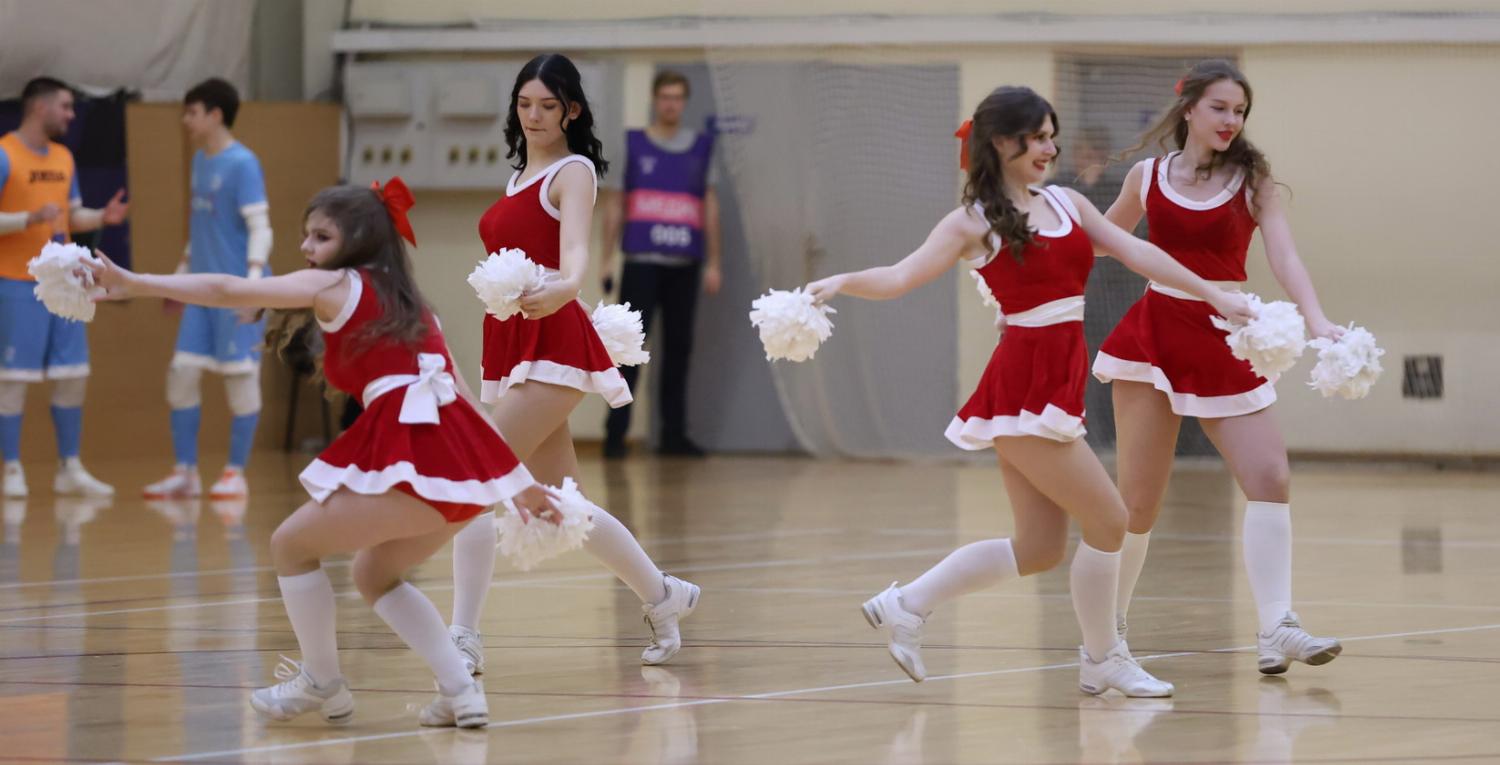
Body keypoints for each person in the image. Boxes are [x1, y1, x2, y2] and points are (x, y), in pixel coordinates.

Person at [803, 86, 1251, 696]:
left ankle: (906, 604)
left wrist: (1214, 293)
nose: (1049, 148)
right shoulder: (971, 221)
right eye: (1037, 138)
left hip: (1057, 382)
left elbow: (1137, 250)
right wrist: (841, 281)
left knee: (1039, 548)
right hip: (1022, 387)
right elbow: (901, 275)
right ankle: (1103, 658)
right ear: (1000, 143)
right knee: (1111, 518)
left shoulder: (1067, 202)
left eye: (1051, 137)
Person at [90, 179, 560, 728]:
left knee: (290, 546)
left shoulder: (336, 283)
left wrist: (136, 282)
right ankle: (461, 692)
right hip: (461, 472)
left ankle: (322, 680)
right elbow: (467, 405)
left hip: (414, 456)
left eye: (321, 236)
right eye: (306, 236)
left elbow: (227, 287)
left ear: (357, 240)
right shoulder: (416, 307)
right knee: (375, 573)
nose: (307, 247)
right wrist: (516, 482)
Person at [451, 54, 700, 677]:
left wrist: (566, 287)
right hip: (517, 344)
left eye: (547, 106)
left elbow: (576, 253)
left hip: (554, 347)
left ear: (572, 111)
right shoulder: (518, 176)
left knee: (475, 480)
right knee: (567, 506)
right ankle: (663, 595)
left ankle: (463, 638)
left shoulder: (574, 171)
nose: (533, 116)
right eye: (524, 104)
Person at [1093, 59, 1343, 677]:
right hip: (1154, 336)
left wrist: (1316, 320)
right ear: (1189, 110)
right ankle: (1106, 636)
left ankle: (1277, 625)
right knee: (1137, 504)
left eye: (1240, 111)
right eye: (1220, 108)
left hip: (1227, 336)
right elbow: (1101, 242)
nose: (1232, 120)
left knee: (1270, 476)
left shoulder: (1252, 180)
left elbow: (1284, 256)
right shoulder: (1146, 176)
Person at [0, 76, 127, 498]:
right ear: (40, 107)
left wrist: (101, 217)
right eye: (66, 106)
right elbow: (33, 216)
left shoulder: (64, 157)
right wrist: (28, 219)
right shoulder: (5, 154)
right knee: (13, 378)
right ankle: (12, 468)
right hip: (16, 284)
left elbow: (70, 215)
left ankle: (69, 467)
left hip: (65, 286)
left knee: (73, 374)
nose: (71, 115)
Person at [145, 78, 270, 500]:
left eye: (192, 112)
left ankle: (235, 473)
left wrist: (254, 287)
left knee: (240, 381)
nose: (186, 120)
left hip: (236, 291)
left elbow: (261, 228)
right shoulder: (200, 160)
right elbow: (200, 231)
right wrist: (178, 280)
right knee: (181, 375)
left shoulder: (243, 163)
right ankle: (185, 472)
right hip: (200, 290)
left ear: (215, 115)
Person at [600, 69, 722, 458]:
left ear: (684, 102)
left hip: (684, 264)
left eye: (677, 97)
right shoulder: (632, 144)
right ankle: (614, 435)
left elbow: (709, 204)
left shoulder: (701, 147)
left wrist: (714, 261)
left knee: (678, 350)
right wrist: (606, 259)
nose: (671, 104)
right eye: (665, 97)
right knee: (629, 350)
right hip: (641, 262)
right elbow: (615, 204)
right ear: (655, 100)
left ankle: (673, 436)